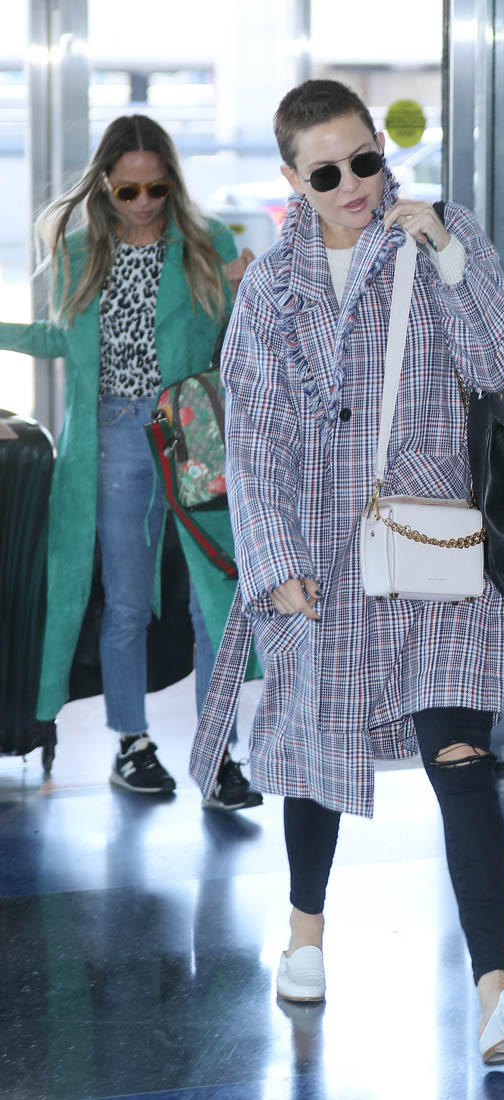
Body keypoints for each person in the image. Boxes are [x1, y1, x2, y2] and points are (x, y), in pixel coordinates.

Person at [190, 80, 504, 1062]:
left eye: (364, 160)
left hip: (435, 544)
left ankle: (496, 988)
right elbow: (254, 438)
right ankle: (304, 934)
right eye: (326, 173)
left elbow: (499, 361)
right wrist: (273, 561)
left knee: (461, 756)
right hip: (319, 554)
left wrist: (444, 253)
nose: (353, 183)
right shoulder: (271, 287)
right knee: (317, 746)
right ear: (291, 180)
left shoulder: (439, 237)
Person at [0, 114, 261, 810]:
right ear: (105, 187)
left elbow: (238, 340)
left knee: (214, 602)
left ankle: (218, 754)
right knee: (124, 603)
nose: (144, 202)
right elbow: (61, 338)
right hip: (114, 433)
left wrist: (246, 287)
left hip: (194, 431)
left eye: (156, 187)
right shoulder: (80, 250)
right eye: (128, 190)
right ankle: (132, 744)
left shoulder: (207, 242)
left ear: (172, 181)